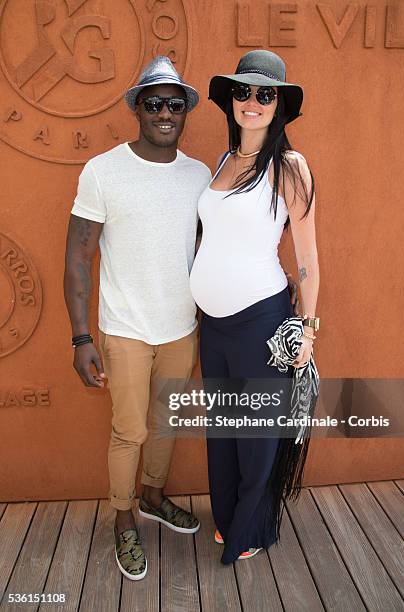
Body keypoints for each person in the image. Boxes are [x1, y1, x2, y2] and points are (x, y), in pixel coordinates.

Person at [63, 56, 212, 581]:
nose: (165, 113)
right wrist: (82, 337)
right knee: (128, 430)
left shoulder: (198, 175)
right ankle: (124, 519)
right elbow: (79, 255)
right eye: (154, 103)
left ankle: (153, 497)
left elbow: (207, 248)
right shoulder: (103, 170)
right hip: (125, 328)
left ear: (186, 112)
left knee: (166, 424)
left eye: (175, 104)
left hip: (182, 327)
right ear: (137, 110)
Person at [189, 50, 320, 564]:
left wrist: (308, 329)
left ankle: (252, 526)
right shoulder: (225, 160)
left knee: (257, 434)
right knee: (222, 430)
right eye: (243, 92)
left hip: (261, 322)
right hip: (214, 327)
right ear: (231, 101)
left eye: (266, 94)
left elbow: (306, 257)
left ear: (279, 105)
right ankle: (227, 517)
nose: (252, 102)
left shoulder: (289, 166)